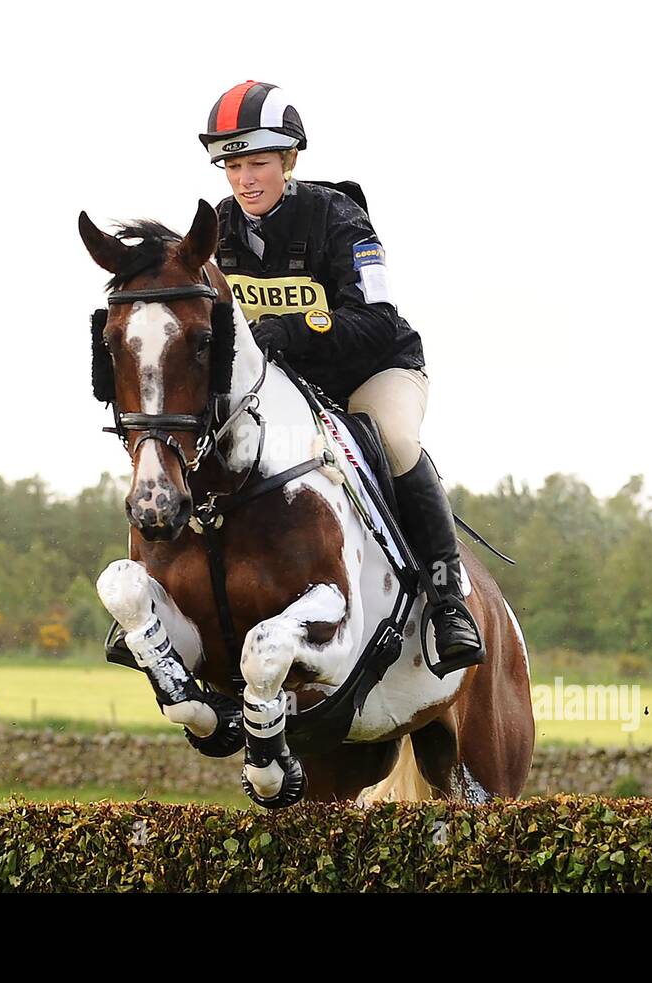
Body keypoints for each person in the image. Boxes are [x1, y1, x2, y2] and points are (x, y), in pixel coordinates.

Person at [199, 80, 482, 670]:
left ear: (289, 161)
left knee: (397, 440)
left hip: (372, 370)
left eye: (258, 163)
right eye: (232, 166)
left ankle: (446, 595)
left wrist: (292, 331)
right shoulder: (216, 232)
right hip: (286, 390)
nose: (244, 178)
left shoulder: (338, 217)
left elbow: (376, 319)